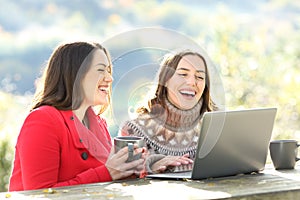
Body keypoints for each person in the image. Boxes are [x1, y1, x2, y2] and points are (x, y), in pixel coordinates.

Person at [9, 41, 146, 191]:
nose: (109, 78)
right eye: (101, 70)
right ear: (75, 74)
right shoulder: (43, 120)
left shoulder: (98, 123)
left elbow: (111, 179)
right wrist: (107, 173)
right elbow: (39, 193)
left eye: (109, 71)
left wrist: (142, 169)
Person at [120, 50, 218, 174]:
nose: (192, 82)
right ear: (165, 80)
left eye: (199, 77)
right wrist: (152, 166)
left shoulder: (217, 127)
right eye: (183, 74)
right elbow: (124, 178)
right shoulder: (132, 130)